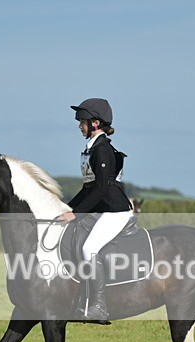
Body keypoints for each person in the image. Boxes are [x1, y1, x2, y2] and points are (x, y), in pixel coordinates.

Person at [58, 98, 133, 322]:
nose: (79, 126)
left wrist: (76, 214)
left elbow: (101, 189)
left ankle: (99, 306)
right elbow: (87, 189)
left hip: (116, 212)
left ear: (96, 123)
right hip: (104, 211)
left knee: (89, 248)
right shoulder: (91, 149)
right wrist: (66, 209)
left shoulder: (102, 150)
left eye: (82, 121)